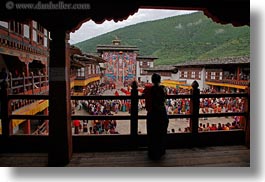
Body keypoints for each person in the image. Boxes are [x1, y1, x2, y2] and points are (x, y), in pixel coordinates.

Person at [143, 73, 169, 160]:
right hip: (161, 113)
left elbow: (144, 95)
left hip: (152, 113)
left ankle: (152, 151)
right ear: (159, 80)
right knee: (161, 132)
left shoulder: (148, 89)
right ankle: (161, 150)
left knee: (152, 132)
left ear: (152, 80)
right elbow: (165, 97)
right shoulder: (163, 89)